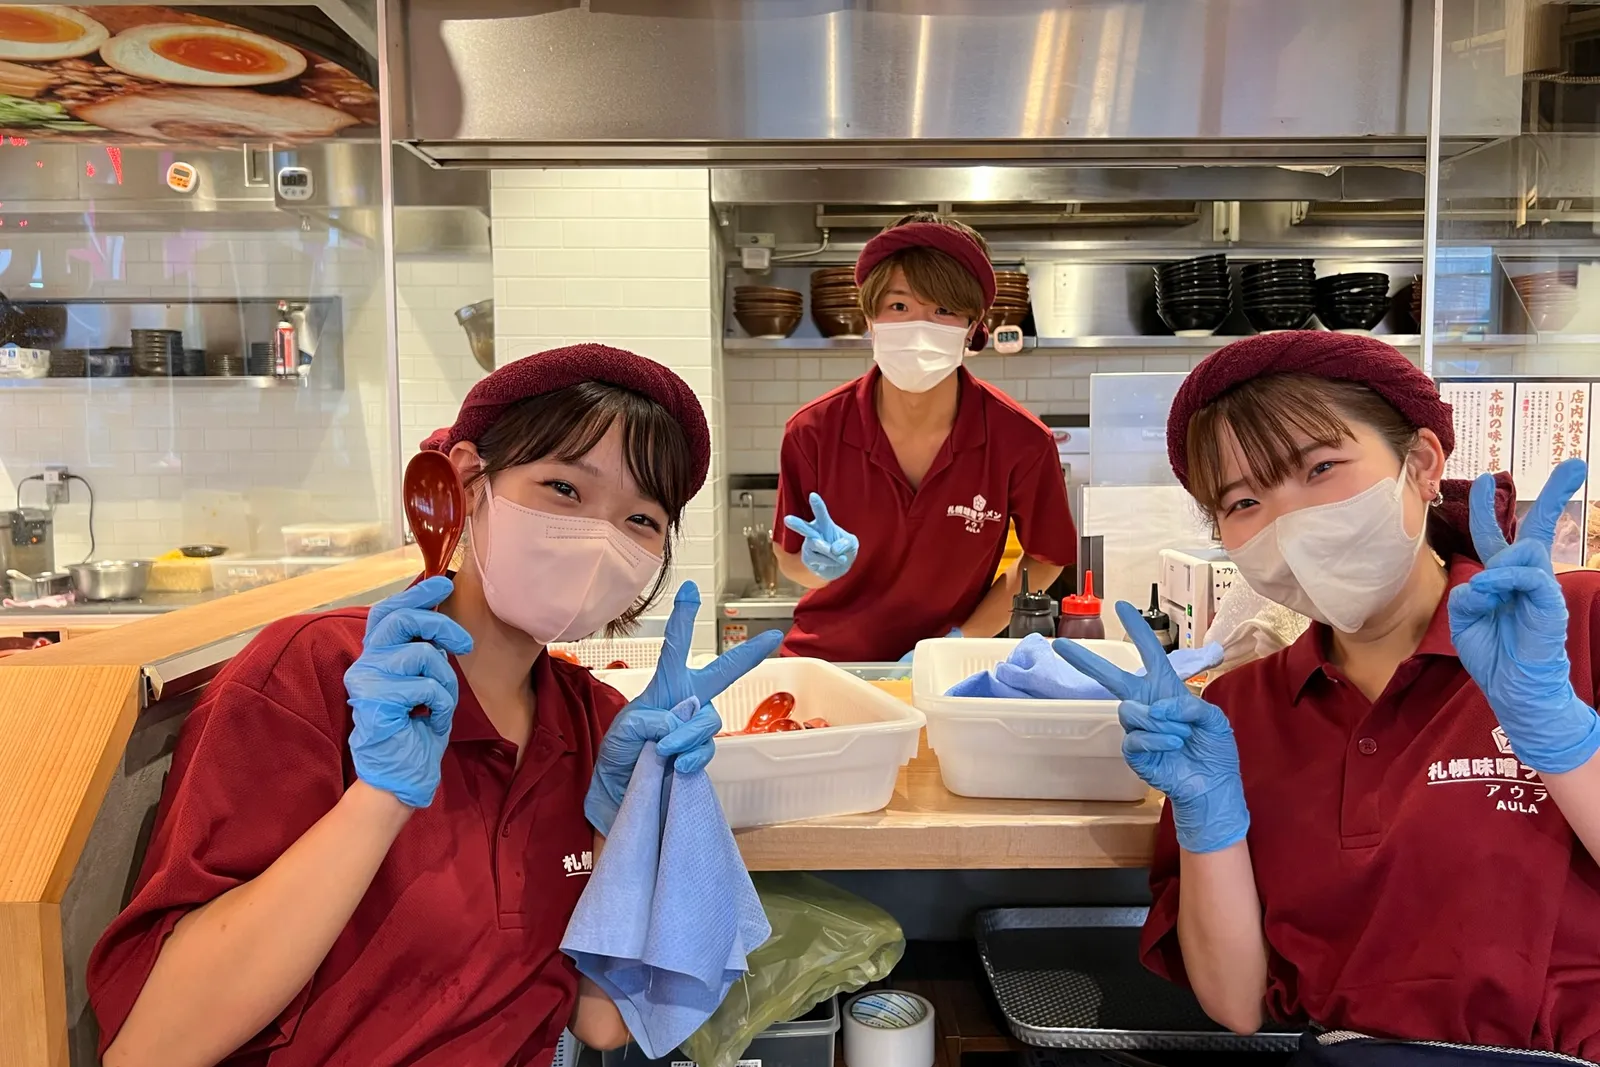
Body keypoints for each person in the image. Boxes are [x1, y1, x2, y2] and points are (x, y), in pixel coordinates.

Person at [87, 344, 782, 1067]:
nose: (599, 540)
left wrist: (624, 817)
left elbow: (603, 1020)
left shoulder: (595, 724)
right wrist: (380, 798)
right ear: (469, 481)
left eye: (640, 519)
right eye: (565, 489)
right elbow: (152, 1049)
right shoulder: (318, 673)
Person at [1055, 332, 1600, 1064]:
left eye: (1320, 468)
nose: (1290, 521)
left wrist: (1560, 735)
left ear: (1422, 463)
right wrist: (1207, 817)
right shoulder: (1239, 710)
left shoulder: (1578, 624)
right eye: (1245, 501)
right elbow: (1236, 1003)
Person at [773, 213, 1077, 661]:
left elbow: (1047, 557)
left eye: (943, 310)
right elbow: (788, 557)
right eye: (899, 307)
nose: (919, 327)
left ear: (973, 326)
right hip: (826, 661)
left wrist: (961, 642)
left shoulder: (1021, 440)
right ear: (870, 318)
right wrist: (818, 567)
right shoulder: (813, 430)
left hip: (950, 669)